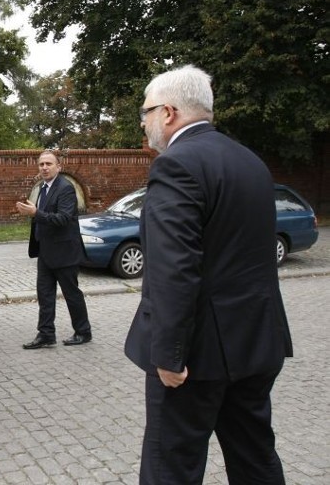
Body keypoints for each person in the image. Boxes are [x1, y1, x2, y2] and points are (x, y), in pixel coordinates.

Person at [124, 65, 293, 484]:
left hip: (195, 357)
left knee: (171, 468)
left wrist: (169, 353)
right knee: (255, 458)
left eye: (145, 112)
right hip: (255, 342)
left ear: (168, 112)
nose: (143, 123)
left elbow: (173, 268)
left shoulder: (176, 165)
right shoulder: (250, 161)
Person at [15, 151, 92, 349]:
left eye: (49, 164)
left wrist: (36, 213)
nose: (44, 167)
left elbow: (63, 219)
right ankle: (46, 334)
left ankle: (83, 332)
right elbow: (44, 214)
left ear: (59, 166)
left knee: (71, 294)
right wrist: (33, 211)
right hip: (46, 252)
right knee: (45, 295)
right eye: (41, 164)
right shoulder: (43, 187)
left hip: (65, 253)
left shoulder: (65, 188)